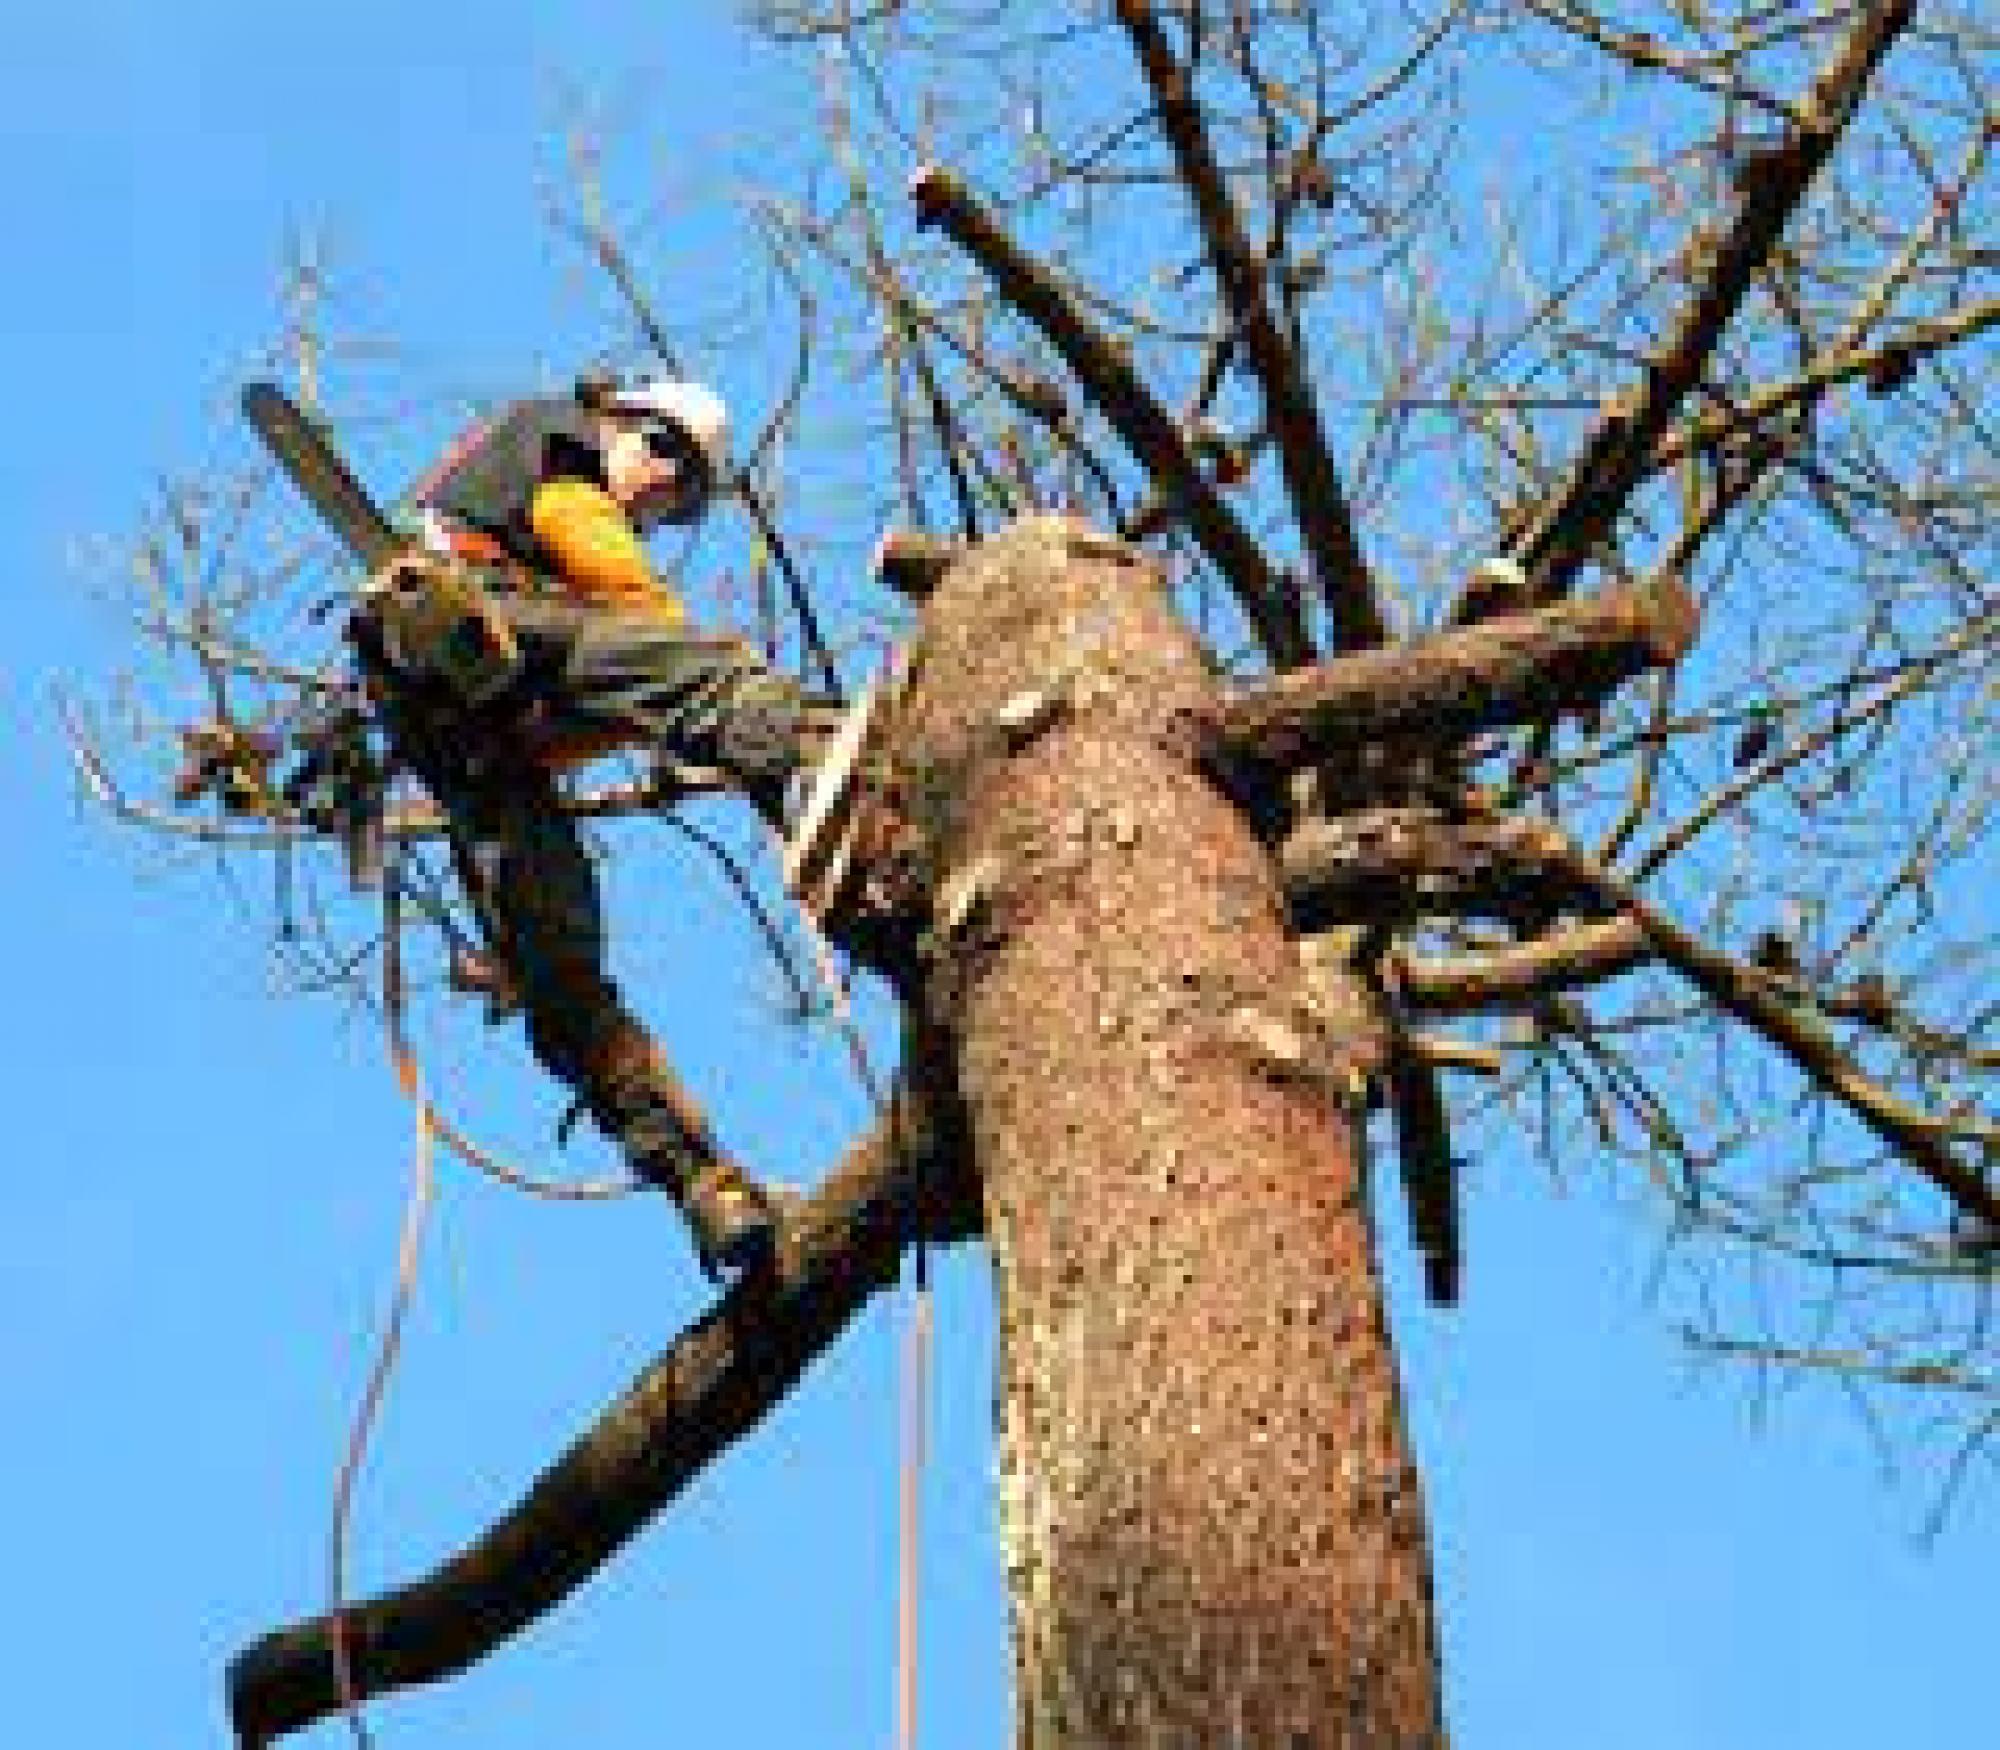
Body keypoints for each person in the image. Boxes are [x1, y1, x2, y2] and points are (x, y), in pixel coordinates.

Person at [375, 372, 829, 1276]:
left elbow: (575, 715)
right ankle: (834, 772)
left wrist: (625, 704)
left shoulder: (531, 501)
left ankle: (701, 1182)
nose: (663, 489)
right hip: (478, 616)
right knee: (715, 674)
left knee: (560, 981)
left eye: (687, 492)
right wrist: (665, 642)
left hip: (465, 728)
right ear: (622, 424)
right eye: (665, 459)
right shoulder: (559, 450)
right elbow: (615, 581)